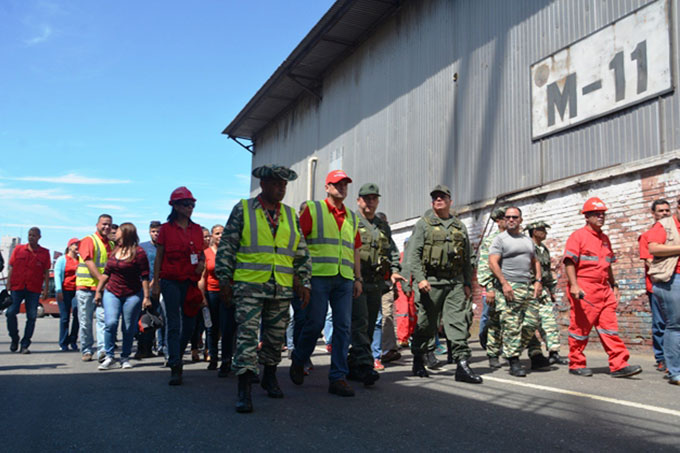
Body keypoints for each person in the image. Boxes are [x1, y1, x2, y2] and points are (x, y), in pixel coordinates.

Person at [215, 164, 311, 413]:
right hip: (249, 286)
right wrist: (224, 280)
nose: (281, 188)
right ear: (264, 184)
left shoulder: (290, 215)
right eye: (277, 183)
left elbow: (301, 252)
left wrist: (304, 281)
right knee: (247, 338)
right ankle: (244, 388)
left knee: (275, 337)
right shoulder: (244, 209)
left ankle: (269, 377)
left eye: (284, 185)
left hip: (281, 287)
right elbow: (228, 246)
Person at [291, 169, 362, 397]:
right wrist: (300, 278)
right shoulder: (314, 209)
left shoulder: (352, 216)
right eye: (337, 184)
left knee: (343, 326)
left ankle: (338, 377)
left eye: (344, 184)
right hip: (319, 277)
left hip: (344, 279)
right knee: (315, 323)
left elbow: (356, 249)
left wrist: (358, 277)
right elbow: (298, 243)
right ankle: (299, 358)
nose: (341, 187)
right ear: (327, 187)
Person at [408, 185, 481, 383]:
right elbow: (413, 255)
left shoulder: (459, 226)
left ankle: (462, 364)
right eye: (435, 198)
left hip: (455, 282)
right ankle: (418, 357)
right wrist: (420, 278)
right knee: (426, 324)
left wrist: (467, 283)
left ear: (450, 201)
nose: (438, 200)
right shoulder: (424, 224)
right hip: (431, 282)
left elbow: (467, 258)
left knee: (458, 322)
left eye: (442, 197)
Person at [563, 197, 642, 378]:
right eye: (597, 214)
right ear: (587, 217)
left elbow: (608, 265)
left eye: (602, 214)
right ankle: (576, 363)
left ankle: (619, 364)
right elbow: (569, 261)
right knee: (580, 329)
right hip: (584, 288)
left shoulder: (605, 239)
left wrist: (613, 284)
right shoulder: (578, 236)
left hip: (604, 289)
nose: (601, 217)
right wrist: (574, 285)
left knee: (609, 327)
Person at [347, 184, 403, 384]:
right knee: (360, 322)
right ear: (358, 200)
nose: (369, 202)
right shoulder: (350, 221)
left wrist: (395, 271)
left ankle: (354, 363)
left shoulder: (382, 226)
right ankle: (364, 365)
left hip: (376, 283)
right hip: (357, 281)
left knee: (370, 324)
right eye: (366, 198)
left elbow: (392, 252)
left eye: (373, 198)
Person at [152, 187, 205, 385]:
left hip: (190, 281)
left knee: (190, 324)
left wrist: (201, 263)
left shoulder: (197, 229)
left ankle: (177, 354)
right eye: (185, 204)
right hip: (171, 281)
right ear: (175, 206)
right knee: (173, 323)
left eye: (192, 204)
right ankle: (175, 364)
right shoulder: (166, 229)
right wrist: (156, 283)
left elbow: (201, 254)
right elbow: (159, 257)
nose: (190, 207)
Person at [488, 207, 550, 377]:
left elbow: (535, 261)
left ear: (521, 220)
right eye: (508, 217)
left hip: (527, 286)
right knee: (512, 325)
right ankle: (513, 360)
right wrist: (503, 283)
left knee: (531, 323)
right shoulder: (500, 240)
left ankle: (510, 349)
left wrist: (538, 281)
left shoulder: (527, 240)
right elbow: (492, 263)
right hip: (509, 287)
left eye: (514, 217)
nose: (511, 220)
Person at [95, 223, 151, 370]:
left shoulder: (139, 253)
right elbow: (106, 273)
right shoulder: (115, 250)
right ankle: (109, 356)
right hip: (112, 292)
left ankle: (125, 357)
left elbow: (145, 276)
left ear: (126, 233)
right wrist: (98, 291)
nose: (115, 232)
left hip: (132, 294)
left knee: (128, 327)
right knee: (111, 323)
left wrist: (146, 297)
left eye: (118, 231)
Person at [647, 196, 680, 386]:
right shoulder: (664, 225)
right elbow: (653, 248)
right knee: (675, 324)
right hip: (671, 278)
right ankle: (675, 371)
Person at [525, 221, 568, 365]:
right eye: (542, 230)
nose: (545, 232)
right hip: (528, 290)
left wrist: (551, 289)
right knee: (529, 323)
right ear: (534, 231)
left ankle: (553, 352)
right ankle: (535, 353)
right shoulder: (525, 247)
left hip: (542, 289)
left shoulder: (543, 249)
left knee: (549, 321)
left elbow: (547, 271)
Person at [5, 227, 50, 354]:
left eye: (34, 235)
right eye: (29, 235)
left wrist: (45, 289)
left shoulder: (44, 253)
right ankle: (14, 338)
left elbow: (46, 272)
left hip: (33, 289)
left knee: (31, 316)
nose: (31, 237)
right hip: (17, 287)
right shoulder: (19, 249)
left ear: (39, 237)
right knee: (10, 312)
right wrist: (8, 283)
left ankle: (25, 344)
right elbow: (11, 267)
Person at [76, 214, 114, 362]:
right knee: (85, 321)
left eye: (109, 225)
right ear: (97, 225)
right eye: (104, 224)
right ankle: (86, 349)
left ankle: (103, 350)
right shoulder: (88, 240)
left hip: (103, 289)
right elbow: (89, 262)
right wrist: (101, 280)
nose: (106, 227)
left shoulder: (111, 244)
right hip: (86, 288)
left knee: (103, 319)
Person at [639, 199, 671, 372]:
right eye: (661, 211)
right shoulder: (647, 236)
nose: (665, 213)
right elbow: (650, 263)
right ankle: (661, 357)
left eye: (667, 210)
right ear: (653, 214)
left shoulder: (674, 234)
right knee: (660, 323)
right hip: (657, 287)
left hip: (676, 285)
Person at [202, 224, 237, 377]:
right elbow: (202, 277)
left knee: (227, 327)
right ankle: (213, 358)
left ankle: (226, 360)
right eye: (217, 233)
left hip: (228, 292)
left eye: (222, 233)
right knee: (212, 327)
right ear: (212, 236)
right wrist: (202, 296)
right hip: (212, 293)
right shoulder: (206, 253)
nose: (220, 236)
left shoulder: (230, 252)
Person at [476, 207, 506, 368]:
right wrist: (488, 288)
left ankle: (509, 352)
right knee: (490, 319)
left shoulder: (516, 239)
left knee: (511, 321)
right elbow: (484, 266)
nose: (508, 221)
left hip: (514, 287)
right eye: (504, 218)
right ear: (498, 221)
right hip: (495, 287)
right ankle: (490, 349)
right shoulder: (491, 241)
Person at [137, 220, 163, 359]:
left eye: (158, 231)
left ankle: (159, 347)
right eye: (153, 231)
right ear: (149, 232)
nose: (156, 234)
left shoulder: (163, 247)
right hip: (143, 286)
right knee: (144, 319)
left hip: (159, 286)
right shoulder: (142, 247)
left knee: (157, 318)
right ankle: (143, 348)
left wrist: (155, 282)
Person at [54, 238, 80, 351]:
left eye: (79, 245)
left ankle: (73, 340)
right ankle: (63, 342)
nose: (77, 247)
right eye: (75, 244)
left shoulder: (81, 260)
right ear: (69, 246)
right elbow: (57, 275)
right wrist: (59, 290)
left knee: (78, 316)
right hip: (64, 291)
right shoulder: (62, 259)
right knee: (65, 318)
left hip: (78, 291)